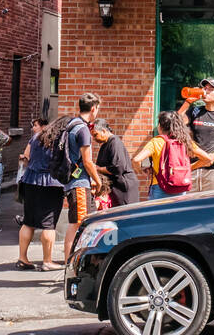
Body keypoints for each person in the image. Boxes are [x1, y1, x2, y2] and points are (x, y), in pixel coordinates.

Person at [44, 93, 104, 258]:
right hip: (79, 184)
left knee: (78, 224)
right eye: (97, 109)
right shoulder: (82, 129)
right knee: (77, 225)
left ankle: (71, 263)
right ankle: (70, 264)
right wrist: (98, 182)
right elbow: (88, 161)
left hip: (72, 182)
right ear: (93, 109)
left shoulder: (71, 124)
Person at [15, 121, 64, 272]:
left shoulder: (36, 137)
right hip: (51, 184)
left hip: (30, 181)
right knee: (49, 224)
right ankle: (47, 261)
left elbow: (26, 156)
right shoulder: (59, 141)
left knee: (28, 221)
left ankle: (22, 259)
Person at [134, 111, 213, 199]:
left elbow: (136, 160)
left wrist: (142, 171)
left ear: (160, 126)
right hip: (180, 186)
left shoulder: (156, 141)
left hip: (160, 186)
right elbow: (208, 159)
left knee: (158, 212)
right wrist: (190, 167)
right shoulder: (184, 141)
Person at [178, 77, 214, 191]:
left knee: (211, 206)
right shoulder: (195, 111)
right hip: (193, 167)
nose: (206, 91)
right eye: (205, 88)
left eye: (211, 89)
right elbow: (175, 123)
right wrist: (188, 102)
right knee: (189, 205)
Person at [92, 118, 139, 207]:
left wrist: (98, 168)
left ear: (103, 131)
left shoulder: (114, 142)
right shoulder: (104, 145)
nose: (94, 138)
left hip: (124, 188)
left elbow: (118, 167)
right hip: (116, 188)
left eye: (95, 135)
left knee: (125, 216)